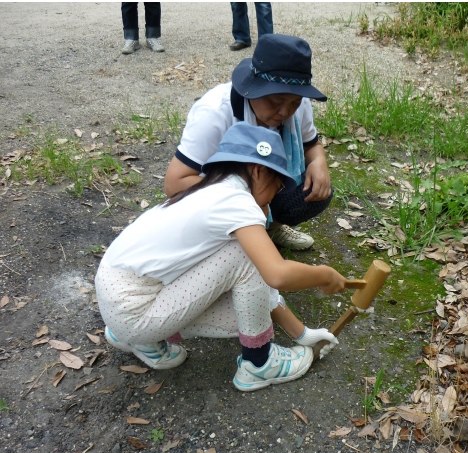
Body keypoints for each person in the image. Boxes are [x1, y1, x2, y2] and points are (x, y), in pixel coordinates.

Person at [96, 122, 344, 392]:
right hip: (134, 310)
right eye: (279, 184)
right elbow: (276, 274)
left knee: (247, 306)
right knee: (247, 257)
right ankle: (259, 364)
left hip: (117, 297)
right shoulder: (237, 202)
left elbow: (261, 290)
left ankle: (139, 339)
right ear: (259, 171)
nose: (276, 195)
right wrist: (325, 274)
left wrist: (302, 334)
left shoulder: (206, 191)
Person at [164, 34, 331, 251]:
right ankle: (233, 240)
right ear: (252, 88)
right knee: (236, 254)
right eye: (276, 101)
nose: (285, 112)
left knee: (315, 192)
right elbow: (174, 184)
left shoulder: (299, 106)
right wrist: (244, 193)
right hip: (218, 196)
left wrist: (318, 162)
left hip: (259, 186)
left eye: (295, 102)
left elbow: (312, 145)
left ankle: (270, 229)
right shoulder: (215, 113)